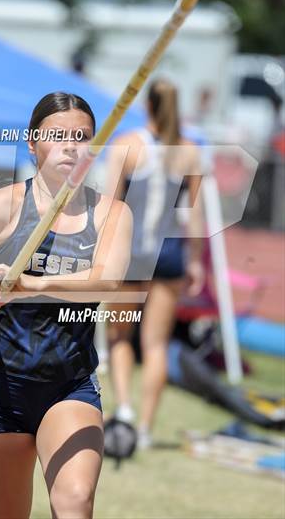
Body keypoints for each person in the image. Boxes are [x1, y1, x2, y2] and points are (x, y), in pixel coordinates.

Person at [0, 91, 132, 519]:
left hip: (69, 384)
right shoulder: (7, 204)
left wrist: (30, 284)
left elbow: (107, 280)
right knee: (5, 512)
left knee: (74, 503)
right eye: (59, 135)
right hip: (2, 384)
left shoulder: (112, 213)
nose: (72, 145)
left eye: (84, 137)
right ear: (32, 143)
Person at [105, 78, 204, 448]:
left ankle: (126, 410)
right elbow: (194, 215)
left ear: (146, 105)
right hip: (169, 254)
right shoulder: (190, 150)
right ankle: (144, 429)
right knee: (156, 344)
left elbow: (110, 206)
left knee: (119, 335)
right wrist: (195, 261)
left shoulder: (126, 145)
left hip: (131, 253)